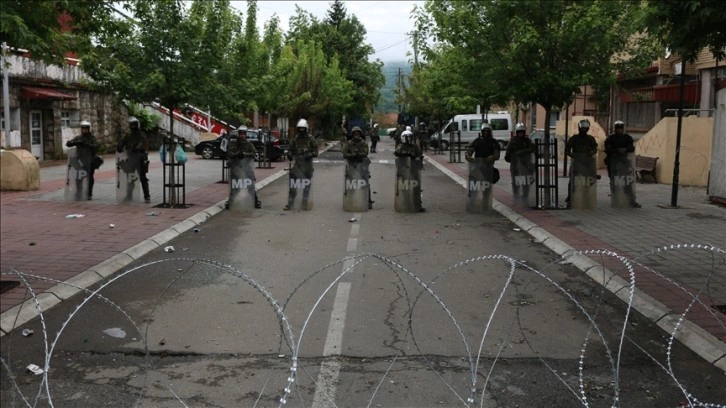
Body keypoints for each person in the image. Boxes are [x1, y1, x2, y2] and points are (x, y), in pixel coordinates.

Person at [605, 120, 640, 207]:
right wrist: (617, 150)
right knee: (614, 182)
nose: (620, 130)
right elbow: (608, 149)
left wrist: (625, 150)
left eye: (621, 128)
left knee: (627, 181)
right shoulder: (611, 138)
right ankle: (616, 199)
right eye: (618, 128)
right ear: (615, 129)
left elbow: (631, 148)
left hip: (624, 162)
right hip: (613, 163)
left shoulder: (627, 138)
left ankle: (631, 201)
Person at [284, 119, 318, 210]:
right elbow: (291, 149)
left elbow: (316, 151)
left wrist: (310, 154)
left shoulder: (311, 139)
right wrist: (289, 154)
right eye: (300, 129)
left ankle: (305, 203)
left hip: (307, 166)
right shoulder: (295, 139)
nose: (301, 131)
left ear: (306, 129)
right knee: (293, 184)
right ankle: (290, 204)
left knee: (306, 185)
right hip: (297, 165)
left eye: (303, 129)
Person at [226, 126, 261, 209]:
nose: (242, 136)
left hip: (246, 168)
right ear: (238, 134)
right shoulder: (234, 144)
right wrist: (237, 154)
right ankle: (231, 202)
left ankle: (255, 202)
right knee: (235, 187)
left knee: (250, 186)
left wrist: (245, 154)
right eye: (240, 134)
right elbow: (229, 153)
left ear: (246, 135)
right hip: (236, 168)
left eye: (243, 134)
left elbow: (253, 153)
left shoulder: (249, 144)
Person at [565, 119, 599, 206]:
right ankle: (570, 198)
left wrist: (592, 152)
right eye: (582, 128)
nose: (584, 130)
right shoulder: (574, 138)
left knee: (588, 180)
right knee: (573, 180)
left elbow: (595, 148)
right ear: (579, 128)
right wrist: (573, 156)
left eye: (585, 128)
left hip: (587, 163)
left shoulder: (591, 139)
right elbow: (567, 149)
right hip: (576, 163)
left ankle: (586, 197)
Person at [117, 117, 151, 203]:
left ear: (137, 125)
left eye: (134, 124)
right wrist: (119, 146)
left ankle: (147, 196)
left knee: (143, 177)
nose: (133, 126)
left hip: (140, 157)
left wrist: (137, 147)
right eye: (131, 125)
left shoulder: (141, 134)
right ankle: (129, 196)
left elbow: (143, 141)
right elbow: (123, 141)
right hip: (132, 158)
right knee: (130, 177)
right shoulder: (128, 134)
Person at [66, 120, 99, 200]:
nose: (84, 130)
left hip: (89, 160)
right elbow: (68, 143)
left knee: (90, 177)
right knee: (78, 177)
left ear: (88, 129)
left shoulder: (92, 138)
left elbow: (96, 146)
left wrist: (86, 144)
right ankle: (79, 192)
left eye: (86, 129)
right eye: (83, 129)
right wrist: (74, 142)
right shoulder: (79, 137)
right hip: (80, 160)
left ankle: (89, 193)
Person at [394, 129, 425, 211]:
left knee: (415, 188)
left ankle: (417, 204)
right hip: (403, 170)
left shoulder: (414, 146)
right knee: (403, 188)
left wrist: (416, 158)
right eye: (407, 137)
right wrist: (406, 154)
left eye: (410, 137)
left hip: (413, 170)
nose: (409, 139)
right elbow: (397, 153)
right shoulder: (401, 146)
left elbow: (419, 155)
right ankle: (403, 203)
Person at [344, 126, 374, 209]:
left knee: (365, 183)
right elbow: (345, 154)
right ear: (352, 134)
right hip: (352, 164)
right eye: (354, 133)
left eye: (358, 133)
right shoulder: (349, 143)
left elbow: (365, 153)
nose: (356, 134)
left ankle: (368, 201)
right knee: (351, 184)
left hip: (362, 164)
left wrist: (359, 155)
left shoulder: (363, 143)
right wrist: (352, 155)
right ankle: (350, 200)